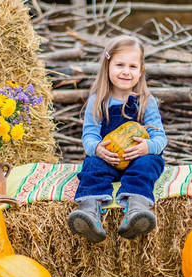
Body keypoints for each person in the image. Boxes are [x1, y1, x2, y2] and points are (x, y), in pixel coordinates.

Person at [67, 35, 167, 243]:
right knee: (92, 164)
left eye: (132, 66)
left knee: (150, 162)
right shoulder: (98, 101)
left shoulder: (146, 101)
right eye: (119, 64)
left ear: (141, 71)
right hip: (109, 160)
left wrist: (148, 147)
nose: (125, 71)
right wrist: (97, 149)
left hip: (137, 159)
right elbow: (89, 136)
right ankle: (89, 212)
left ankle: (136, 209)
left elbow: (160, 138)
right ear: (107, 66)